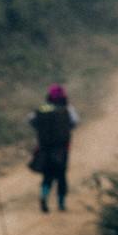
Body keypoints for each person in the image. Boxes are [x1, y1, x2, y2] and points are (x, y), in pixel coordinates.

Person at [29, 84, 79, 213]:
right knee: (61, 175)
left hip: (45, 148)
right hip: (62, 149)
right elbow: (74, 122)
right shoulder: (67, 108)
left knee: (47, 175)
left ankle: (43, 197)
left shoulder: (43, 108)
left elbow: (32, 120)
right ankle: (61, 204)